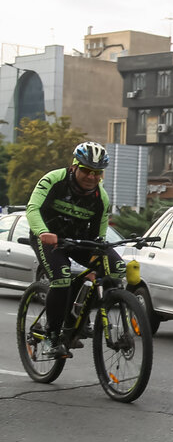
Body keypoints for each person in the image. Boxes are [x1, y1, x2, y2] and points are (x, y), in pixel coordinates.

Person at [26, 142, 125, 358]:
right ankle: (51, 337)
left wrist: (98, 258)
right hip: (49, 239)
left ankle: (76, 319)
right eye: (86, 170)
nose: (91, 177)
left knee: (116, 267)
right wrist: (43, 232)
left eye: (97, 172)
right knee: (61, 277)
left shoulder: (101, 197)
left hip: (79, 241)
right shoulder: (54, 179)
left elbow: (99, 234)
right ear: (74, 167)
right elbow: (32, 209)